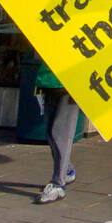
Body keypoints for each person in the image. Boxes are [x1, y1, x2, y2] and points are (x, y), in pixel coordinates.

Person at [33, 57, 79, 204]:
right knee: (50, 132)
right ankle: (67, 170)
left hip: (71, 82)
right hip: (49, 80)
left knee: (60, 133)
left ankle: (58, 184)